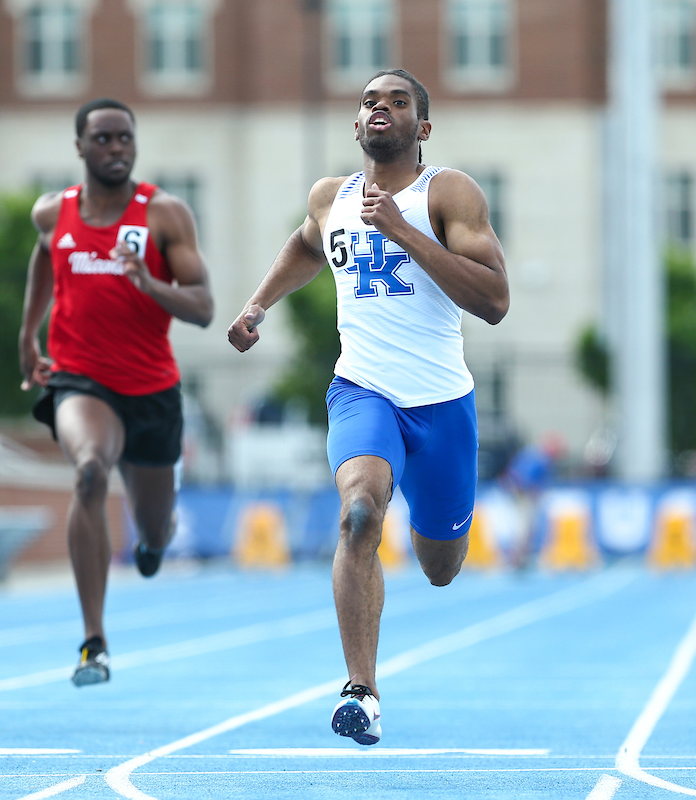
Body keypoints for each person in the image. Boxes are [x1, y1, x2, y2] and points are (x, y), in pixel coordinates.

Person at [227, 69, 508, 745]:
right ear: (357, 126)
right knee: (359, 514)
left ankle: (433, 529)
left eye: (398, 101)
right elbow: (305, 245)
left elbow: (495, 300)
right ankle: (362, 690)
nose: (381, 107)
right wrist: (260, 303)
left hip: (442, 404)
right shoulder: (333, 197)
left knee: (441, 566)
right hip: (363, 390)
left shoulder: (449, 192)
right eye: (370, 101)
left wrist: (408, 234)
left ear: (423, 128)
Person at [18, 98, 214, 686]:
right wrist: (28, 334)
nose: (115, 148)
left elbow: (204, 307)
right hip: (81, 378)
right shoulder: (53, 214)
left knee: (153, 531)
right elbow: (43, 264)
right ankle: (93, 642)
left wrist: (149, 282)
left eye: (124, 138)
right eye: (102, 138)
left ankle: (154, 541)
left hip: (152, 388)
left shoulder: (164, 215)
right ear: (79, 146)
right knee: (89, 472)